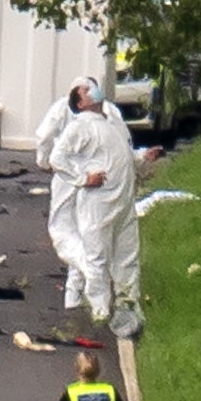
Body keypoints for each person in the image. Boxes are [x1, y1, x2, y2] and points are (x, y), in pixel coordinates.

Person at [37, 79, 129, 319]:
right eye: (86, 90)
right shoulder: (74, 116)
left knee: (79, 235)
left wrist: (45, 161)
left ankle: (83, 293)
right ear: (79, 101)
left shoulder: (109, 116)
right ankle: (80, 291)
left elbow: (122, 151)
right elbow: (49, 142)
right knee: (75, 235)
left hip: (91, 182)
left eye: (92, 88)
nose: (92, 91)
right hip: (81, 179)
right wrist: (71, 174)